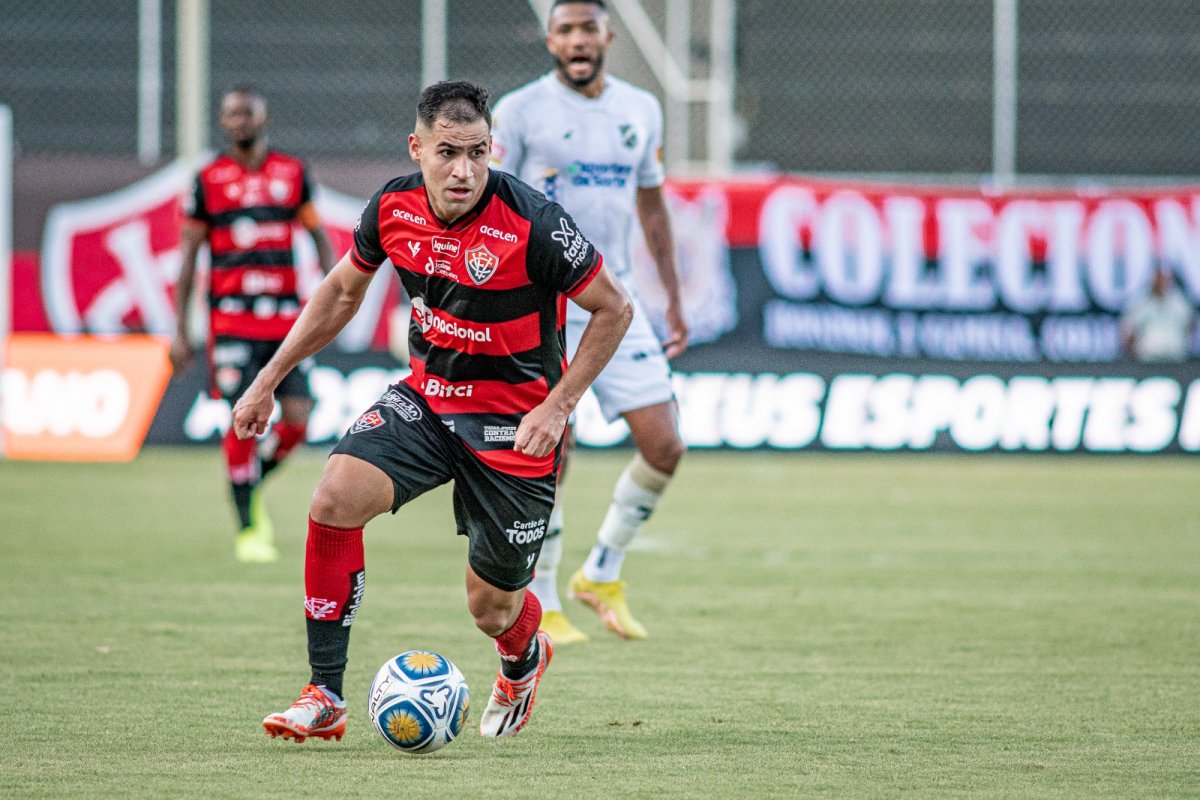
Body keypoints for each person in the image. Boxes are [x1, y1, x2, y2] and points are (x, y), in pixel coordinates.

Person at [236, 80, 633, 741]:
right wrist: (268, 379)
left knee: (491, 609)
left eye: (478, 153)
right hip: (429, 401)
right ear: (417, 148)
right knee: (334, 497)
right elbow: (340, 293)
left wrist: (558, 407)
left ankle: (524, 656)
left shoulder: (534, 222)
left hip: (516, 426)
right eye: (448, 153)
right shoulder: (392, 206)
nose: (464, 171)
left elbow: (614, 308)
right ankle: (324, 694)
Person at [491, 0, 688, 644]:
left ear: (608, 36)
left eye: (588, 29)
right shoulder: (520, 111)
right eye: (565, 30)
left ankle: (601, 572)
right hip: (542, 303)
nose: (578, 40)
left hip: (615, 300)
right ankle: (544, 596)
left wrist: (673, 297)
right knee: (554, 448)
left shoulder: (641, 109)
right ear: (549, 40)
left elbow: (652, 207)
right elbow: (491, 206)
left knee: (664, 444)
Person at [171, 86, 335, 563]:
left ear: (264, 118)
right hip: (232, 321)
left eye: (247, 112)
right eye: (231, 114)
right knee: (242, 420)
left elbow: (319, 239)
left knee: (299, 418)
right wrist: (180, 331)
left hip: (286, 321)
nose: (239, 120)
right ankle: (248, 527)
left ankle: (247, 484)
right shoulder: (208, 180)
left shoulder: (292, 173)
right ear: (222, 122)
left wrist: (335, 294)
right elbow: (188, 258)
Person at [1119, 265, 1195, 363]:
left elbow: (1190, 325)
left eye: (1163, 279)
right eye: (1157, 279)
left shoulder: (1179, 304)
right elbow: (1128, 332)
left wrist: (1185, 345)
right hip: (1147, 360)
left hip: (1175, 358)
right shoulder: (1140, 305)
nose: (1160, 283)